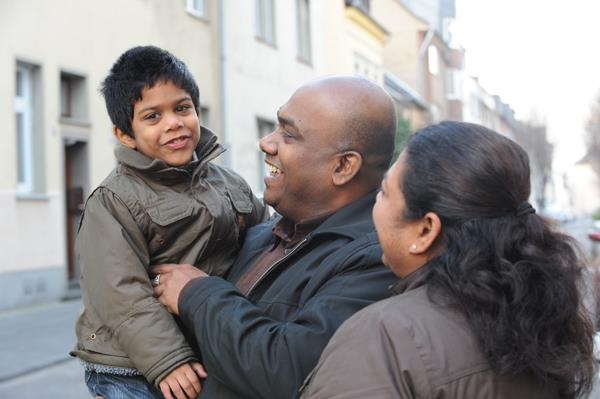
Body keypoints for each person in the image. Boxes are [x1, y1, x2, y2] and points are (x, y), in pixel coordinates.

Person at [300, 121, 598, 399]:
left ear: (426, 230)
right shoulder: (539, 321)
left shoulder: (384, 336)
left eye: (384, 192)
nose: (374, 204)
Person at [151, 76, 399, 398]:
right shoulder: (263, 233)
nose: (266, 143)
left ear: (343, 166)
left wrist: (197, 294)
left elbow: (289, 369)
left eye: (288, 134)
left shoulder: (375, 261)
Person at [71, 46, 266, 399]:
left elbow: (266, 241)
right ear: (124, 134)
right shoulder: (114, 200)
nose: (173, 122)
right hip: (128, 365)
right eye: (152, 117)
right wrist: (168, 359)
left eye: (181, 108)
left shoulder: (228, 184)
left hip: (202, 351)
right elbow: (121, 293)